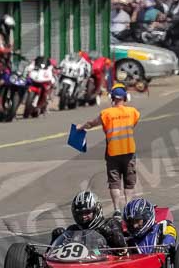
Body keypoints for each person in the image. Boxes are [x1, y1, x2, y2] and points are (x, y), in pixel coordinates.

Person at [77, 85, 140, 216]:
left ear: (112, 98)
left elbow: (91, 123)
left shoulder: (106, 114)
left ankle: (117, 209)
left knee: (114, 182)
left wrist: (81, 127)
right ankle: (128, 208)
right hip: (129, 152)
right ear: (125, 98)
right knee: (129, 181)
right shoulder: (133, 112)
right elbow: (134, 123)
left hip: (113, 153)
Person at [50, 190, 126, 251]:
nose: (83, 216)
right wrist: (56, 239)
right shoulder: (73, 230)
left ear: (96, 210)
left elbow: (123, 249)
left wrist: (109, 234)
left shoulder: (111, 223)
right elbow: (53, 255)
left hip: (105, 261)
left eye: (87, 212)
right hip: (79, 263)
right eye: (80, 213)